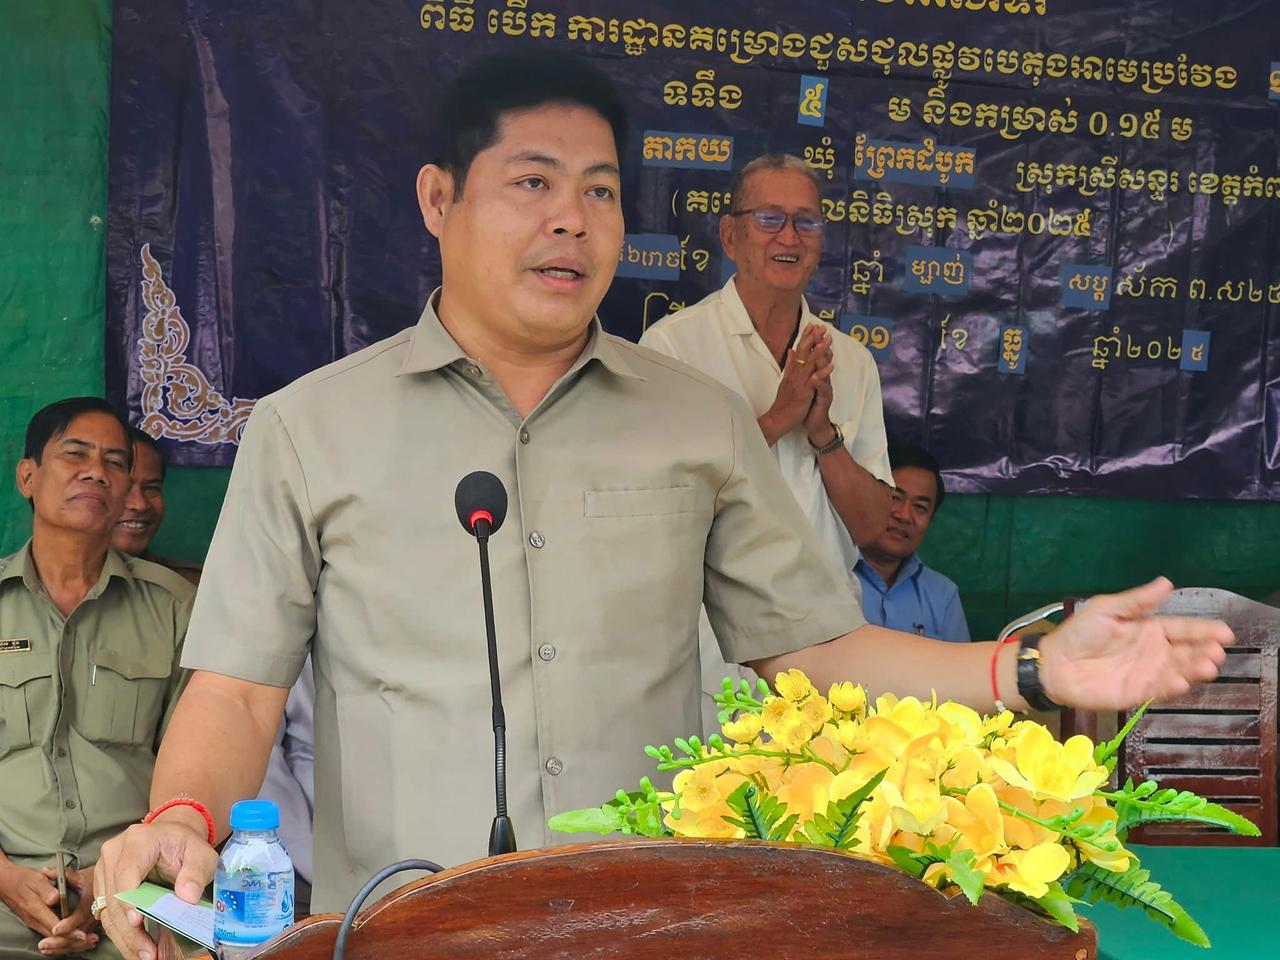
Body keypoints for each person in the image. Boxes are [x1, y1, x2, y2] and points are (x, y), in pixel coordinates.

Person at [95, 53, 1231, 960]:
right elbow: (237, 688)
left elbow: (813, 649)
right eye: (533, 183)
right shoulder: (310, 428)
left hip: (658, 923)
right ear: (439, 199)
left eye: (599, 191)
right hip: (404, 927)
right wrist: (180, 820)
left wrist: (1031, 668)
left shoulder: (697, 421)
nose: (573, 220)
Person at [639, 153, 894, 729]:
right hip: (711, 652)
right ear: (730, 235)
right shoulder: (673, 347)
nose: (790, 236)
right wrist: (777, 418)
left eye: (807, 222)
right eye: (770, 218)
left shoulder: (851, 361)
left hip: (827, 649)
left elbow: (876, 529)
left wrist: (823, 434)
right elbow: (660, 513)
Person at [0, 398, 193, 959]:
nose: (96, 472)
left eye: (114, 462)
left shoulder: (173, 608)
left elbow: (194, 769)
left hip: (139, 893)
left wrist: (116, 876)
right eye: (75, 454)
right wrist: (6, 878)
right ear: (28, 476)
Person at [112, 426, 317, 909]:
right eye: (120, 479)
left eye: (150, 486)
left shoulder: (184, 600)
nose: (135, 501)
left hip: (206, 859)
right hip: (136, 855)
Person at [855, 442, 969, 642]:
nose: (904, 515)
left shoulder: (943, 594)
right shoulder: (828, 577)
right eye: (895, 498)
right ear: (865, 498)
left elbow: (959, 663)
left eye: (920, 507)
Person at [110, 428, 201, 586]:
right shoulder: (65, 590)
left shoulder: (190, 587)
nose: (140, 505)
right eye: (124, 487)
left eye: (151, 488)